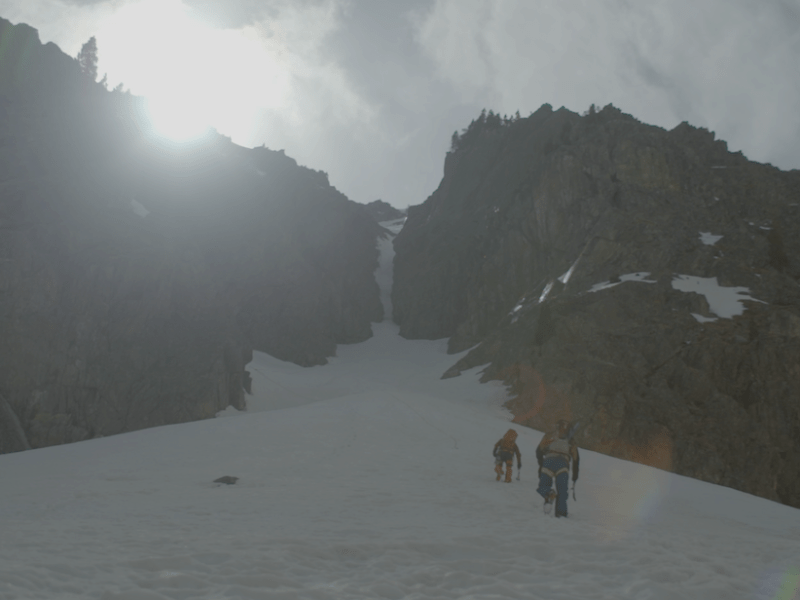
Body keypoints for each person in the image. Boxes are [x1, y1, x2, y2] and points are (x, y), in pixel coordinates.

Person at [536, 420, 579, 517]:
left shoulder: (549, 435)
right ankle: (561, 514)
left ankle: (548, 493)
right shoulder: (571, 440)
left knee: (543, 486)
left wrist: (541, 465)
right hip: (563, 464)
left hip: (548, 462)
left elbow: (539, 450)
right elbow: (576, 459)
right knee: (562, 491)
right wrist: (575, 476)